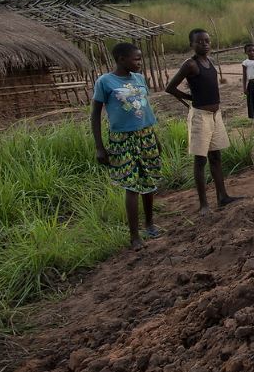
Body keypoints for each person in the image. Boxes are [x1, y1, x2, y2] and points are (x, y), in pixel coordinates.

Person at [91, 42, 162, 249]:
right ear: (121, 59)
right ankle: (134, 236)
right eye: (136, 59)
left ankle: (150, 224)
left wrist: (155, 138)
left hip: (146, 135)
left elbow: (147, 111)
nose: (140, 62)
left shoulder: (139, 79)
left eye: (140, 58)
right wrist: (99, 146)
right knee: (132, 185)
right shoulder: (105, 82)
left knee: (149, 181)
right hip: (122, 139)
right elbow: (95, 116)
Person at [165, 29, 242, 215]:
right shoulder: (190, 64)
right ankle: (204, 204)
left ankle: (222, 196)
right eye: (200, 42)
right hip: (200, 116)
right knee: (200, 160)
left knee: (216, 157)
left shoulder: (209, 62)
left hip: (215, 115)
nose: (205, 44)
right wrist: (191, 98)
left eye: (207, 41)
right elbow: (170, 87)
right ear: (191, 45)